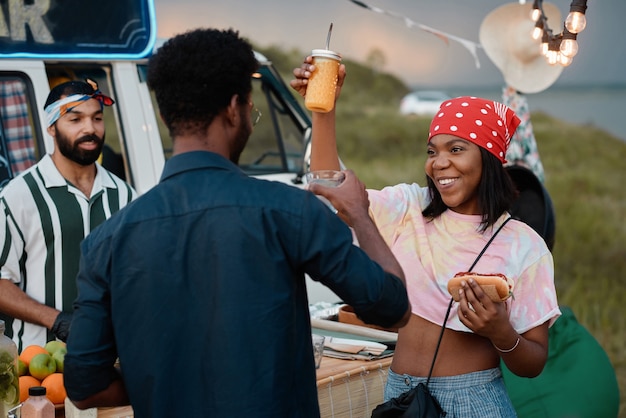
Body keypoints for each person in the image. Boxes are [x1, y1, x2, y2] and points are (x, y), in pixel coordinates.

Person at [63, 28, 411, 418]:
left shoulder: (106, 241)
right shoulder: (288, 211)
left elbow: (84, 386)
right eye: (250, 107)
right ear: (234, 108)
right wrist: (359, 216)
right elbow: (392, 308)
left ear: (165, 115)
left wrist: (167, 384)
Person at [291, 58, 561, 416]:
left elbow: (534, 362)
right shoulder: (409, 207)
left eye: (456, 149)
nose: (439, 163)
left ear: (489, 160)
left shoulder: (525, 245)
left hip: (472, 401)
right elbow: (332, 189)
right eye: (432, 151)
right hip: (400, 396)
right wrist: (324, 107)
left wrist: (501, 331)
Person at [0, 80, 136, 350]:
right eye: (75, 119)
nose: (90, 128)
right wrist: (59, 321)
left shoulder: (125, 196)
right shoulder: (18, 195)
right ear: (51, 127)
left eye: (97, 118)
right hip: (39, 366)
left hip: (112, 360)